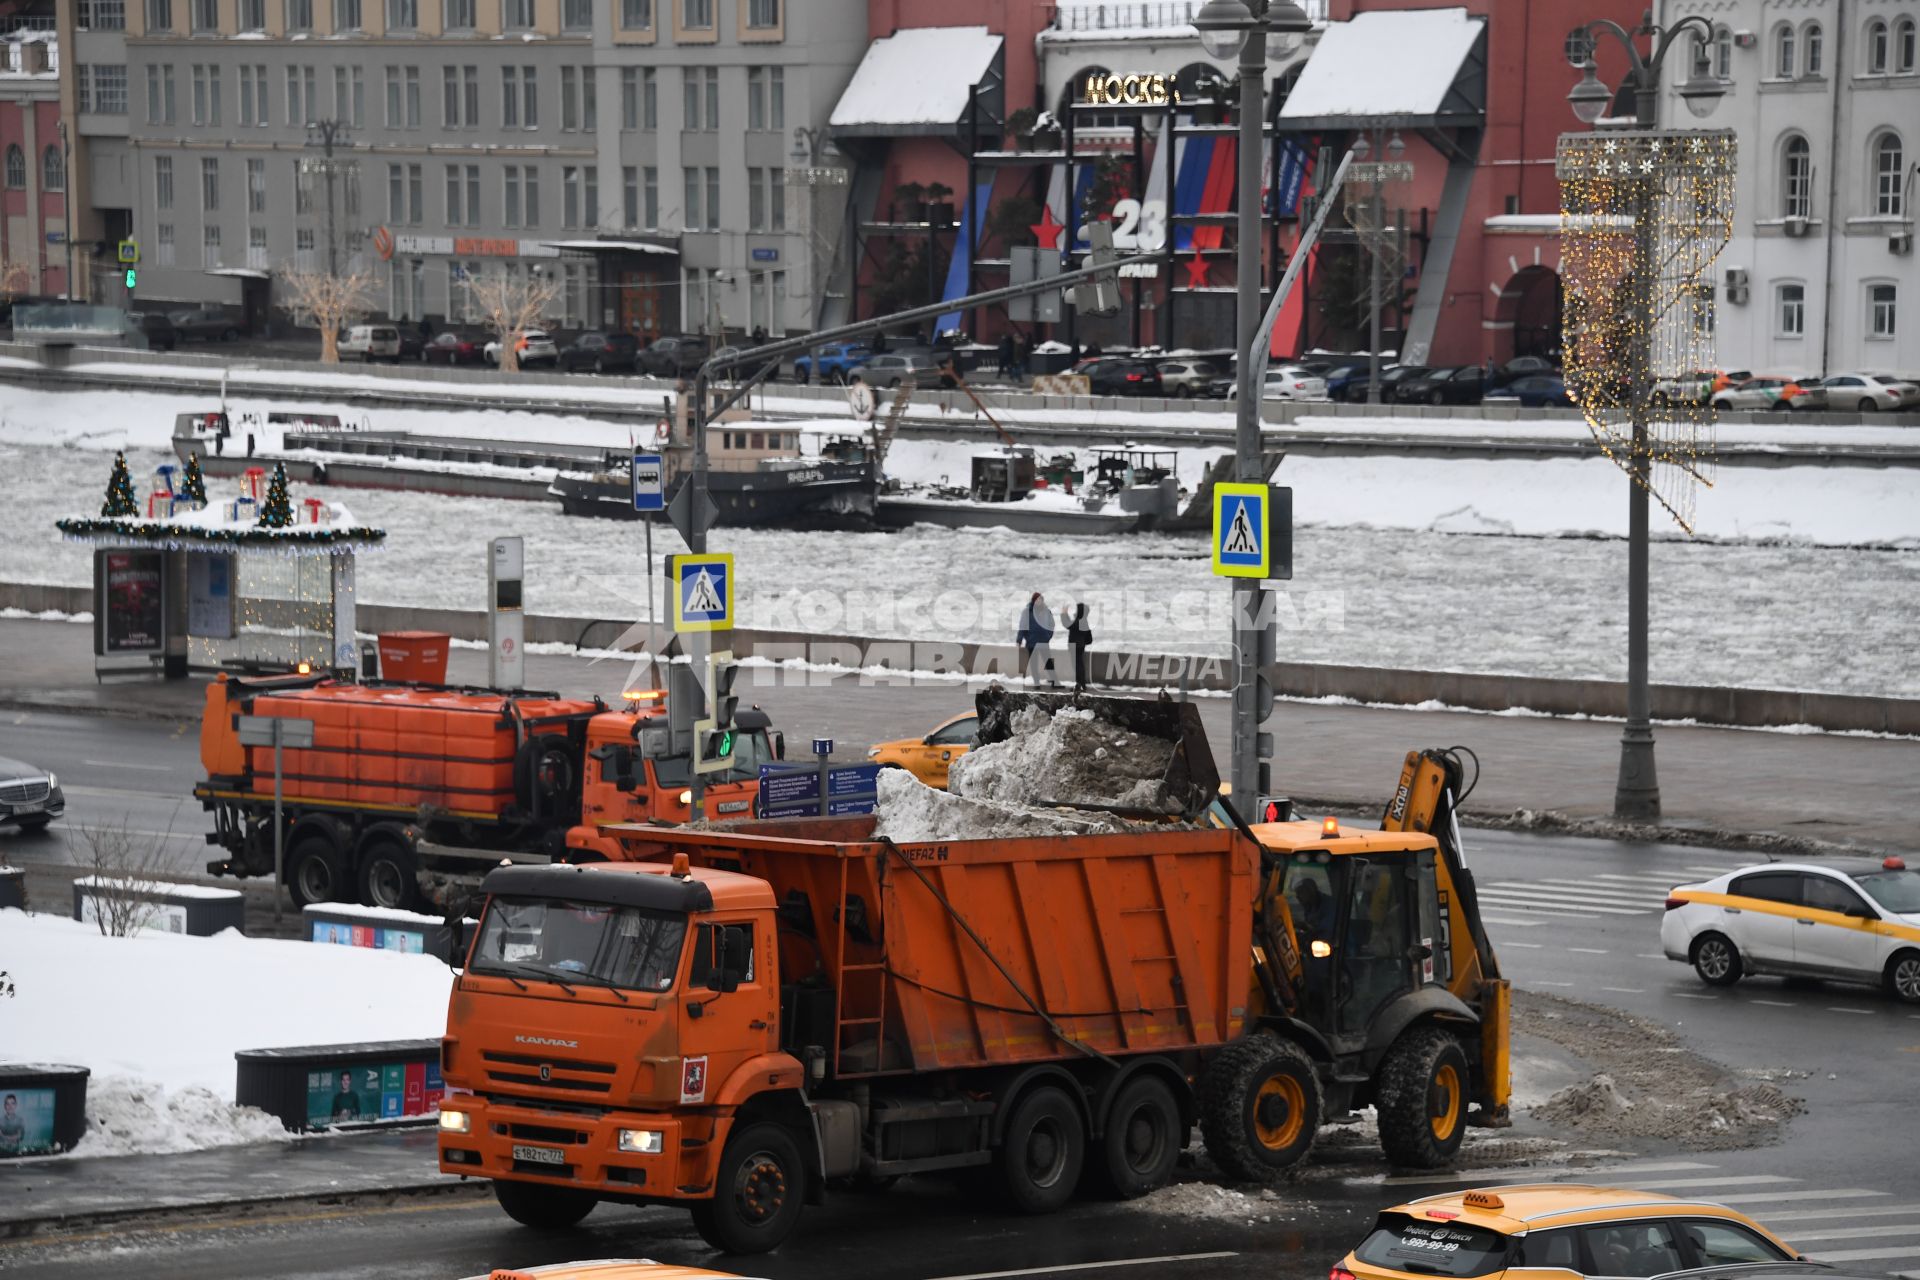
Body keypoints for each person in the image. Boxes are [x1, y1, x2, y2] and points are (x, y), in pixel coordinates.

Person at [1016, 592, 1055, 686]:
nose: (1039, 601)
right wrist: (1019, 640)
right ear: (1033, 601)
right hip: (1032, 642)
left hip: (1043, 642)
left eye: (1040, 599)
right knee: (1034, 664)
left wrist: (1048, 636)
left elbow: (1052, 624)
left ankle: (1054, 681)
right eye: (1037, 599)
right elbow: (1022, 626)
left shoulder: (1047, 611)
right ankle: (1036, 682)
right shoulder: (1027, 611)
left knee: (1048, 662)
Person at [1066, 602, 1093, 692]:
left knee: (1078, 666)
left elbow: (1068, 625)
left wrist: (1064, 614)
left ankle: (1081, 685)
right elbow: (1089, 638)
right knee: (1079, 665)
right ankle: (1081, 685)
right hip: (1080, 646)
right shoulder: (1084, 620)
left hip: (1075, 646)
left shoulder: (1078, 621)